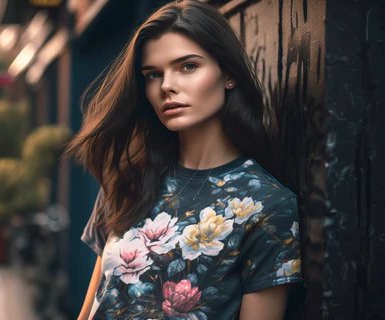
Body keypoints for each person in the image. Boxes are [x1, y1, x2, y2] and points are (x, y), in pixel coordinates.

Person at [67, 1, 302, 319]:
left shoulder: (268, 205)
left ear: (228, 73)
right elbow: (93, 306)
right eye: (153, 74)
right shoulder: (129, 178)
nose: (166, 86)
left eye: (188, 66)